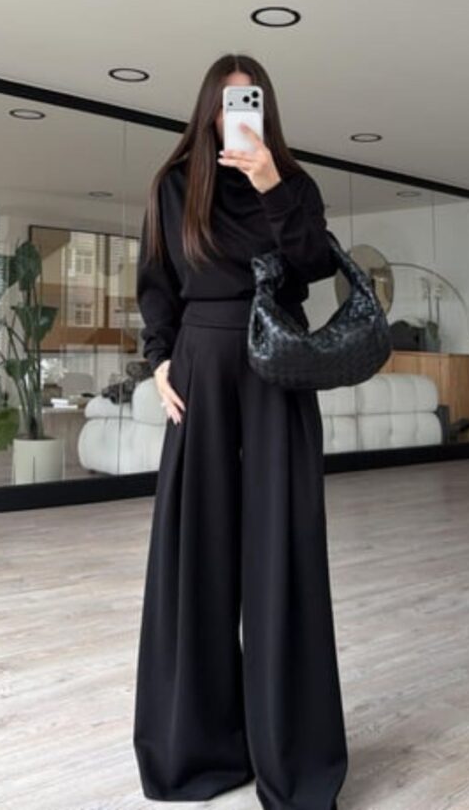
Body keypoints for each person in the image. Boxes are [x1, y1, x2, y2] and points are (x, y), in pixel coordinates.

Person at [133, 53, 348, 810]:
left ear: (265, 108)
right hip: (199, 369)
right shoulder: (173, 184)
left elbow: (314, 266)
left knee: (284, 552)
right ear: (207, 110)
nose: (238, 112)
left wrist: (269, 184)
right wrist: (159, 359)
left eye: (249, 100)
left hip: (278, 369)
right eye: (227, 101)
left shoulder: (293, 182)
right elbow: (157, 281)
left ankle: (293, 761)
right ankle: (199, 751)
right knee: (197, 554)